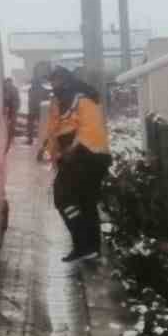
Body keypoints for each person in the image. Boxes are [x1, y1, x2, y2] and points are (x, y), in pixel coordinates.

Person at [37, 67, 111, 263]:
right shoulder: (58, 100)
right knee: (86, 203)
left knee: (63, 198)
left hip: (88, 155)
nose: (54, 84)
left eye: (57, 80)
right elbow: (55, 130)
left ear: (67, 79)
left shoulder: (81, 99)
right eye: (52, 81)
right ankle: (90, 248)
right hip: (80, 157)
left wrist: (72, 150)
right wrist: (49, 150)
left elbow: (90, 128)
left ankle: (83, 243)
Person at [25, 73, 46, 145]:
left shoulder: (31, 89)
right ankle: (40, 140)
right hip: (38, 109)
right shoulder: (43, 89)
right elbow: (45, 99)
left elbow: (30, 99)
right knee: (40, 125)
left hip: (33, 109)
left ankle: (31, 140)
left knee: (31, 125)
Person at [2, 76, 20, 151]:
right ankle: (8, 139)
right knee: (7, 126)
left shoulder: (14, 89)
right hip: (7, 111)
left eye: (9, 82)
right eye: (7, 82)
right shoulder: (3, 89)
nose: (8, 84)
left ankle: (10, 138)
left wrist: (15, 108)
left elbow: (17, 100)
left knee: (11, 126)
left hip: (12, 110)